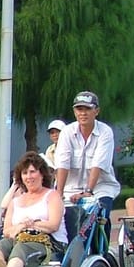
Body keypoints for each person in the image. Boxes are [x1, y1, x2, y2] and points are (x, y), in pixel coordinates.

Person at [0, 151, 67, 267]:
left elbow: (53, 225)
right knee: (3, 244)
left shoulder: (52, 196)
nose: (29, 177)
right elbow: (7, 231)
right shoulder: (15, 201)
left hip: (48, 243)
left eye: (32, 172)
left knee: (20, 248)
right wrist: (22, 226)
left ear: (42, 174)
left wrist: (29, 225)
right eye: (25, 173)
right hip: (19, 238)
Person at [53, 91, 121, 241]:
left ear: (96, 111)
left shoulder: (105, 132)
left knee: (100, 214)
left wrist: (88, 191)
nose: (83, 113)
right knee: (57, 217)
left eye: (87, 109)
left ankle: (101, 251)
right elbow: (62, 163)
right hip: (71, 188)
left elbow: (98, 163)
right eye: (79, 109)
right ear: (74, 111)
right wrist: (59, 192)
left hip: (100, 187)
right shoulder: (67, 132)